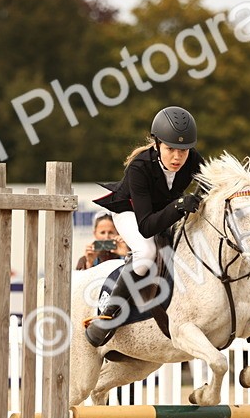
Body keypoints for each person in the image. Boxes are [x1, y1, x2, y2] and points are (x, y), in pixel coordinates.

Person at [85, 105, 205, 347]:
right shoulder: (140, 167)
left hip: (163, 208)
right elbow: (147, 226)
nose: (177, 157)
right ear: (157, 143)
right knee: (147, 252)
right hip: (130, 212)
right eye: (171, 149)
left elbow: (212, 184)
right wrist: (180, 206)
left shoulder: (192, 158)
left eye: (183, 150)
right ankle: (108, 316)